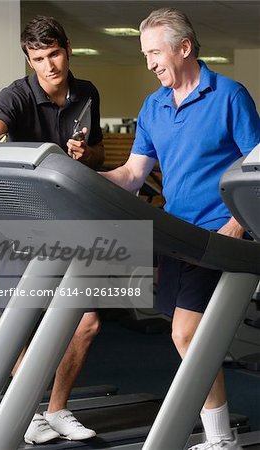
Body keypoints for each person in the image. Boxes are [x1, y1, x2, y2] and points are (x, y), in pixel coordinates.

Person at [101, 8, 260, 450]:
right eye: (144, 54)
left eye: (154, 52)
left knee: (186, 334)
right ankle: (219, 434)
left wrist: (236, 225)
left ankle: (221, 438)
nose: (149, 63)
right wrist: (83, 178)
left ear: (184, 48)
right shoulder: (152, 106)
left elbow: (258, 170)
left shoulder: (229, 95)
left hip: (216, 236)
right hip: (175, 237)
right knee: (192, 337)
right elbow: (134, 175)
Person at [0, 15, 104, 445]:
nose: (49, 66)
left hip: (69, 219)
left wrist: (87, 153)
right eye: (38, 58)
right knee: (21, 325)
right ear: (30, 58)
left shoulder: (87, 92)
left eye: (54, 54)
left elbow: (96, 153)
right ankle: (28, 411)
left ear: (68, 49)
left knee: (87, 323)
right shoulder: (18, 94)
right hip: (16, 224)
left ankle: (56, 410)